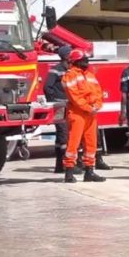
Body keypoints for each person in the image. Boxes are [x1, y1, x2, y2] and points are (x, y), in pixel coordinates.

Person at [61, 49, 106, 183]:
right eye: (84, 59)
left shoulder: (90, 75)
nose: (87, 62)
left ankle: (89, 172)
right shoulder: (70, 75)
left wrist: (97, 106)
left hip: (90, 114)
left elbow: (99, 93)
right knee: (73, 144)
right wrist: (88, 108)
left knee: (91, 143)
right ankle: (69, 172)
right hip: (77, 114)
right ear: (76, 61)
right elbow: (74, 96)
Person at [44, 45, 76, 174]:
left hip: (70, 106)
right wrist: (53, 102)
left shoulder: (72, 69)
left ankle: (63, 164)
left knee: (68, 136)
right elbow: (47, 87)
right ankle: (61, 164)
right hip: (60, 106)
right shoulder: (56, 70)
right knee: (63, 135)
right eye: (70, 54)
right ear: (66, 56)